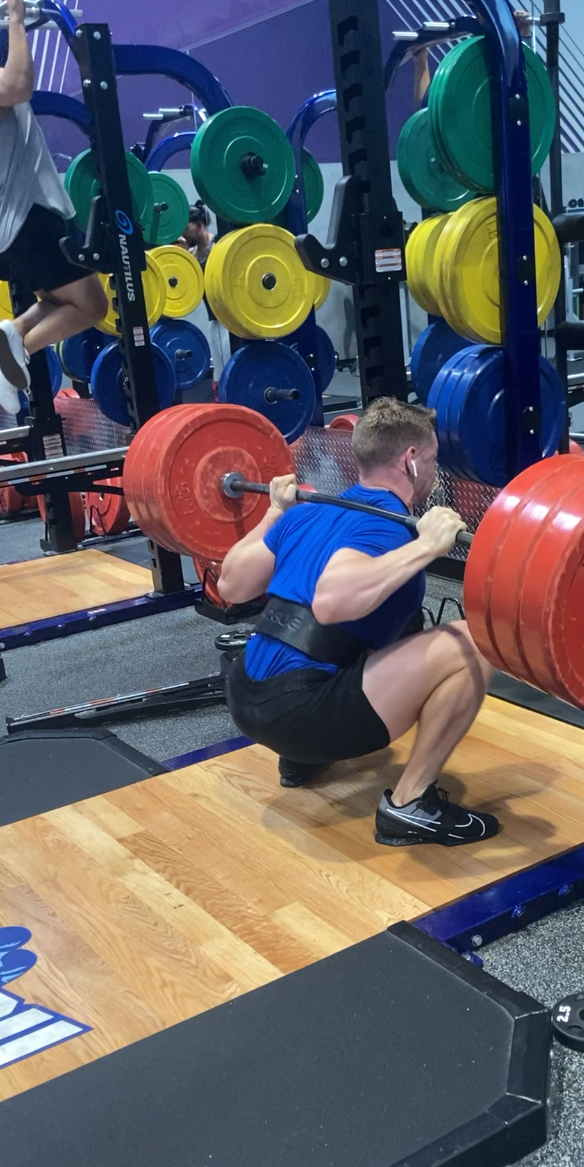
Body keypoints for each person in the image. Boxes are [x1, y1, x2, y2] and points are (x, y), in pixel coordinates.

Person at [218, 397, 499, 849]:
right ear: (410, 460)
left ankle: (298, 761)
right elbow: (331, 602)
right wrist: (426, 547)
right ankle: (410, 806)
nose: (434, 472)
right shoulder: (386, 528)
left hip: (244, 696)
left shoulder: (307, 511)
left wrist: (274, 510)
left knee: (391, 620)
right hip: (300, 714)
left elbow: (231, 584)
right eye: (431, 460)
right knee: (476, 641)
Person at [0, 0, 108, 415]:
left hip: (12, 227)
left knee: (60, 301)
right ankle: (12, 354)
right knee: (94, 305)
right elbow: (19, 85)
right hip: (29, 216)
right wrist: (18, 19)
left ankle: (14, 331)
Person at [178, 199, 229, 382]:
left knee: (229, 371)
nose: (184, 234)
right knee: (219, 374)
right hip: (215, 320)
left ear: (199, 225)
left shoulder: (220, 246)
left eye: (186, 228)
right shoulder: (191, 255)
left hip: (230, 321)